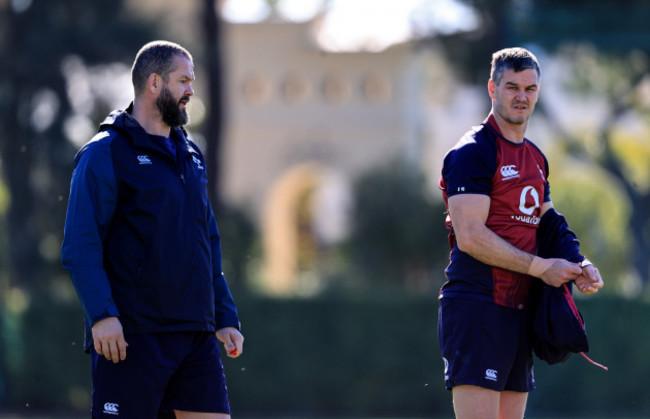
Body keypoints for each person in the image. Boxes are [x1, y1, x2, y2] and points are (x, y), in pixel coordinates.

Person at [62, 40, 244, 419]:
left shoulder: (191, 155)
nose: (191, 91)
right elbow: (81, 244)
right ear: (155, 84)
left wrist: (224, 314)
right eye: (184, 81)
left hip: (195, 336)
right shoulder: (103, 154)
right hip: (132, 336)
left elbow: (205, 239)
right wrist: (101, 315)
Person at [437, 47, 604, 419]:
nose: (521, 96)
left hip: (519, 309)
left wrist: (580, 261)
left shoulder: (535, 157)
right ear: (492, 89)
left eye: (530, 88)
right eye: (512, 86)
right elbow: (470, 236)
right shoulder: (472, 152)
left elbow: (548, 222)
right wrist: (539, 267)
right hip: (478, 305)